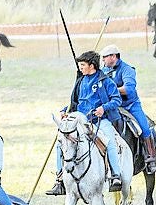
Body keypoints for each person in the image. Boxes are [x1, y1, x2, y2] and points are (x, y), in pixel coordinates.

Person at [46, 51, 124, 195]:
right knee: (61, 142)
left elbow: (116, 100)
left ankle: (115, 176)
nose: (80, 68)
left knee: (110, 142)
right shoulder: (80, 81)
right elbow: (74, 102)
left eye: (82, 65)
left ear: (92, 65)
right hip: (79, 120)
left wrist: (103, 108)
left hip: (99, 120)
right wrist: (65, 111)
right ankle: (60, 180)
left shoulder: (105, 81)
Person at [100, 44, 156, 173]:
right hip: (112, 106)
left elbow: (129, 89)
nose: (103, 60)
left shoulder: (127, 70)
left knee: (144, 127)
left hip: (130, 106)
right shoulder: (103, 71)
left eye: (105, 57)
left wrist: (112, 90)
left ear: (113, 56)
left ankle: (150, 158)